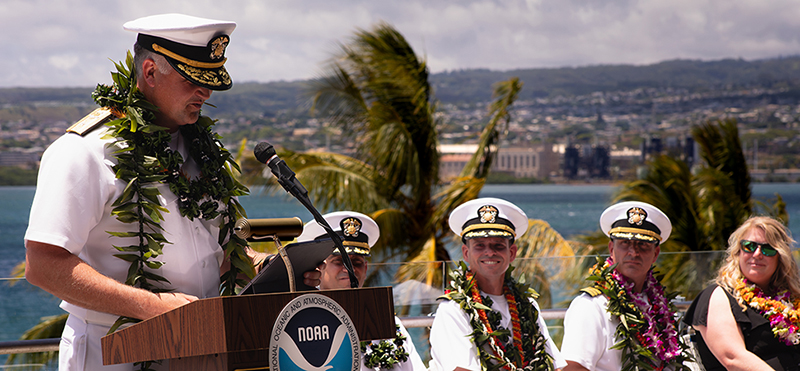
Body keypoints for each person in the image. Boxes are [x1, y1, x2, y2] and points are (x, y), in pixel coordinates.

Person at [23, 14, 319, 371]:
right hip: (115, 351)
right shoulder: (84, 152)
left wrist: (268, 268)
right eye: (193, 79)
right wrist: (150, 306)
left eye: (210, 81)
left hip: (203, 345)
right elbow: (43, 265)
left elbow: (212, 252)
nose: (205, 92)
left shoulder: (204, 151)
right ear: (149, 72)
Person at [429, 197, 566, 371]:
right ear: (466, 253)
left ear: (512, 252)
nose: (489, 252)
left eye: (498, 246)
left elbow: (554, 366)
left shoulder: (527, 305)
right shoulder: (454, 309)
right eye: (479, 245)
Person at [561, 201, 689, 371]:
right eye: (624, 243)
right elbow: (573, 368)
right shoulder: (591, 306)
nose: (633, 253)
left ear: (655, 254)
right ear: (611, 249)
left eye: (642, 245)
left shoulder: (659, 307)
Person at [296, 211, 427, 371]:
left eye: (356, 262)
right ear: (319, 268)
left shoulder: (390, 324)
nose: (349, 269)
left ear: (365, 269)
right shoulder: (305, 327)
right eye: (339, 261)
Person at [684, 216, 800, 370]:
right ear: (738, 252)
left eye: (768, 248)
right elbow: (732, 358)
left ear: (780, 257)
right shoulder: (720, 295)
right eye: (749, 246)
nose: (757, 254)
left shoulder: (790, 299)